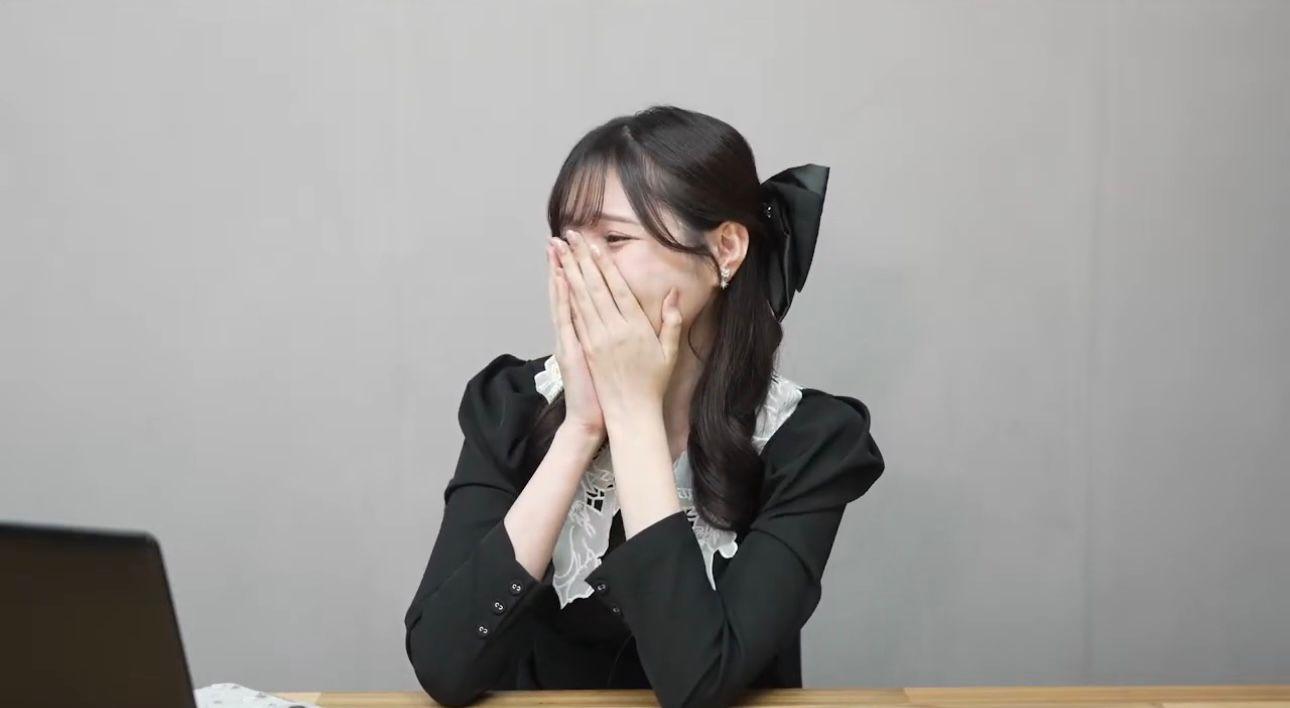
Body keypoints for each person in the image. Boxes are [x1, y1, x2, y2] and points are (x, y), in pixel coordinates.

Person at [402, 104, 886, 708]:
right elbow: (444, 667)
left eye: (614, 239)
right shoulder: (513, 404)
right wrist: (581, 428)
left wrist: (634, 418)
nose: (580, 270)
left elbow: (698, 686)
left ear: (726, 250)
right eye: (569, 241)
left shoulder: (809, 441)